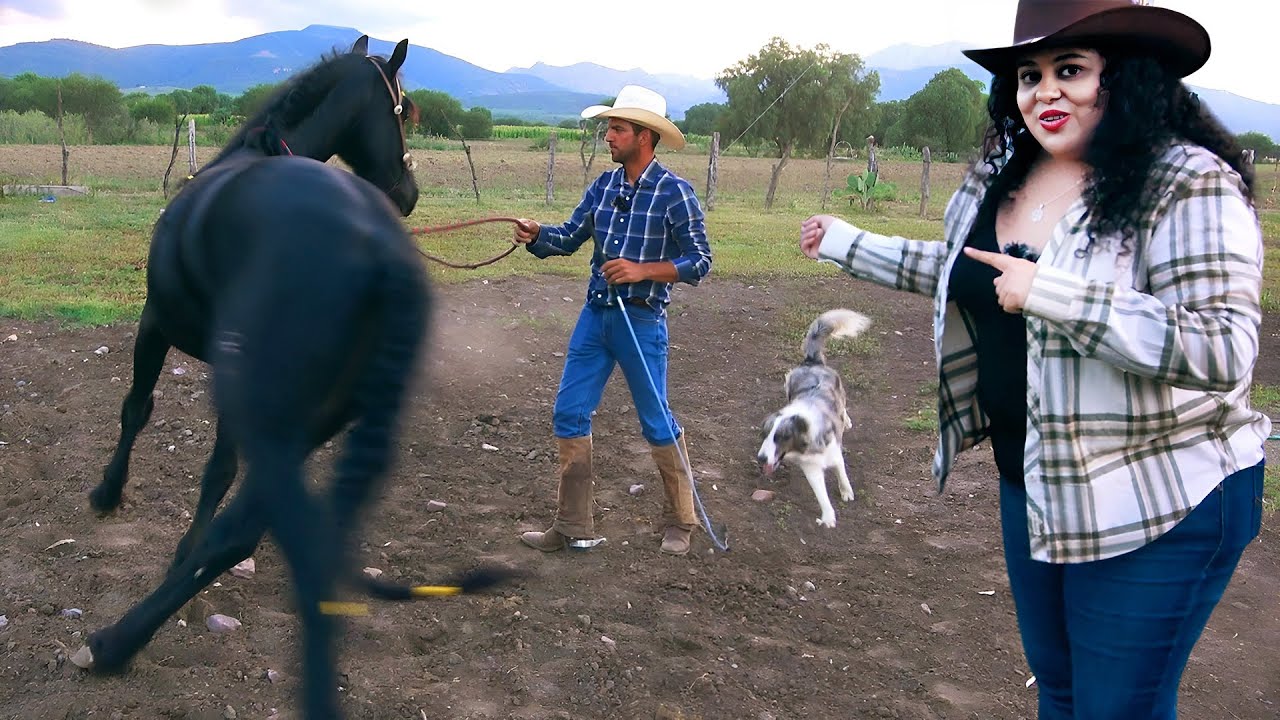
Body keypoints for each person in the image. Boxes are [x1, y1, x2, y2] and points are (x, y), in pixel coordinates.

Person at [798, 1, 1268, 717]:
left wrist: (1054, 293)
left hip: (1163, 492)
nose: (1044, 91)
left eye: (1070, 70)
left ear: (1129, 77)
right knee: (1062, 691)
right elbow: (968, 269)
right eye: (1029, 74)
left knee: (1117, 708)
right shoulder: (1006, 172)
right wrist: (848, 242)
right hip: (1039, 479)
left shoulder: (1183, 181)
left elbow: (1222, 344)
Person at [513, 85, 713, 556]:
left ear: (645, 137)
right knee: (568, 413)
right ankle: (571, 525)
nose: (609, 136)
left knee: (657, 423)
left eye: (618, 128)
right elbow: (567, 237)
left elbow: (700, 261)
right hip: (594, 317)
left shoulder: (675, 194)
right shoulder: (603, 187)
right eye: (609, 127)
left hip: (641, 322)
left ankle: (682, 522)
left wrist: (644, 270)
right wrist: (537, 234)